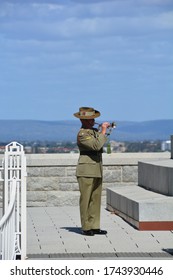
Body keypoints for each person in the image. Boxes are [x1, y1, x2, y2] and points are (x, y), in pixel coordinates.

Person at [74, 107, 110, 236]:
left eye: (93, 119)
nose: (93, 121)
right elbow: (96, 145)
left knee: (96, 198)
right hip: (86, 170)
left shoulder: (93, 132)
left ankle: (94, 225)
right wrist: (104, 130)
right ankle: (86, 226)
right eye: (90, 119)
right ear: (83, 120)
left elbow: (100, 142)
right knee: (86, 199)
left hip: (96, 168)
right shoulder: (83, 134)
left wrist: (103, 132)